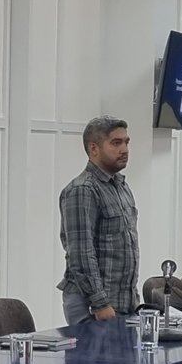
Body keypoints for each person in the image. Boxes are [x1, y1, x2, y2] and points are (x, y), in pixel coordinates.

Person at [58, 116, 140, 327]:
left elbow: (125, 250)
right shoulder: (83, 190)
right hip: (95, 306)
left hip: (121, 303)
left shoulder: (121, 187)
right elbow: (81, 252)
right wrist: (100, 303)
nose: (125, 149)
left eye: (126, 142)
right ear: (94, 148)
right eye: (116, 143)